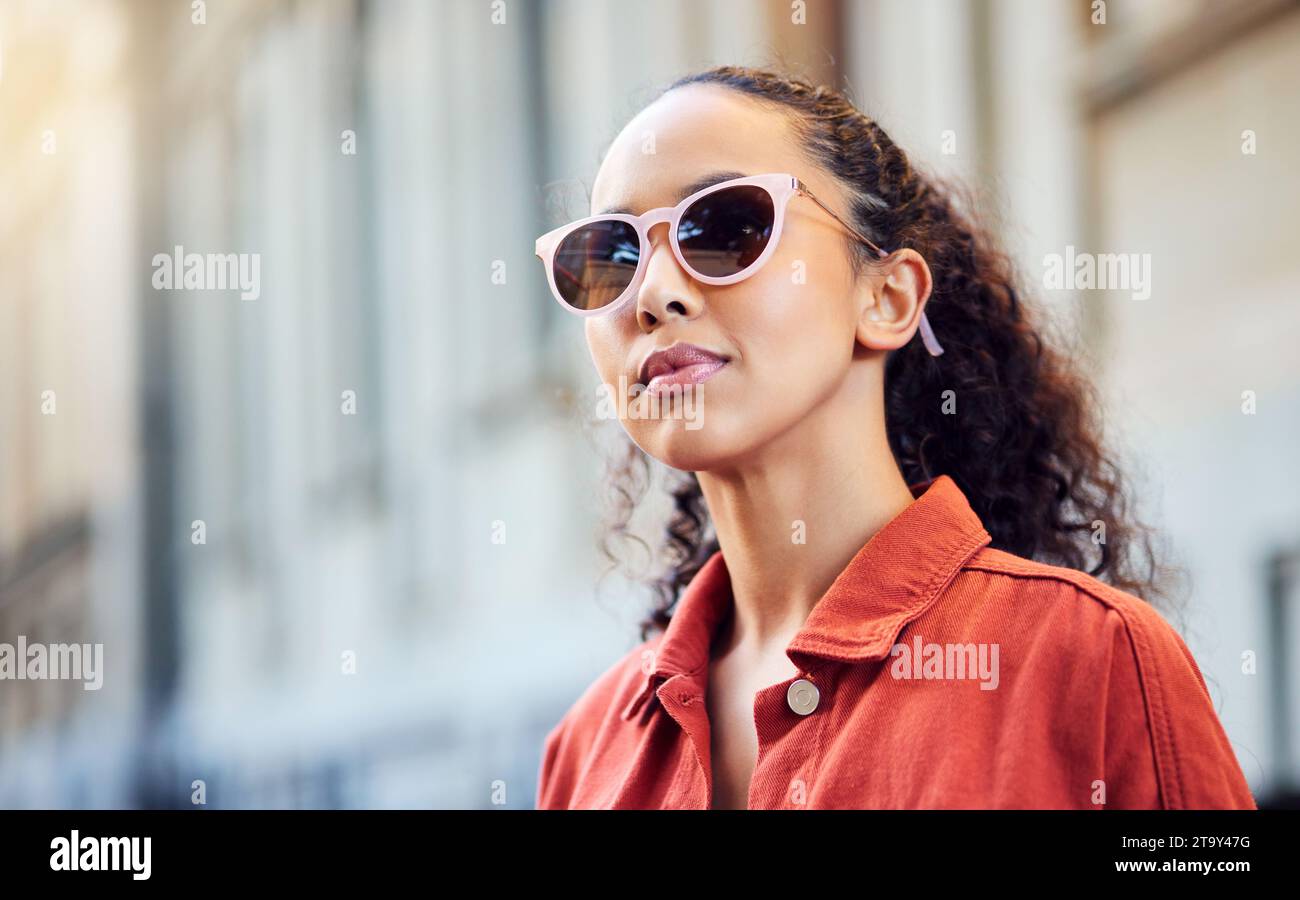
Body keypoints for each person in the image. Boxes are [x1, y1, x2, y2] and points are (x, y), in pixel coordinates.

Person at [531, 64, 1257, 810]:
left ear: (886, 297)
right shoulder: (587, 750)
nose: (652, 293)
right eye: (608, 258)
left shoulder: (1090, 662)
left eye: (724, 228)